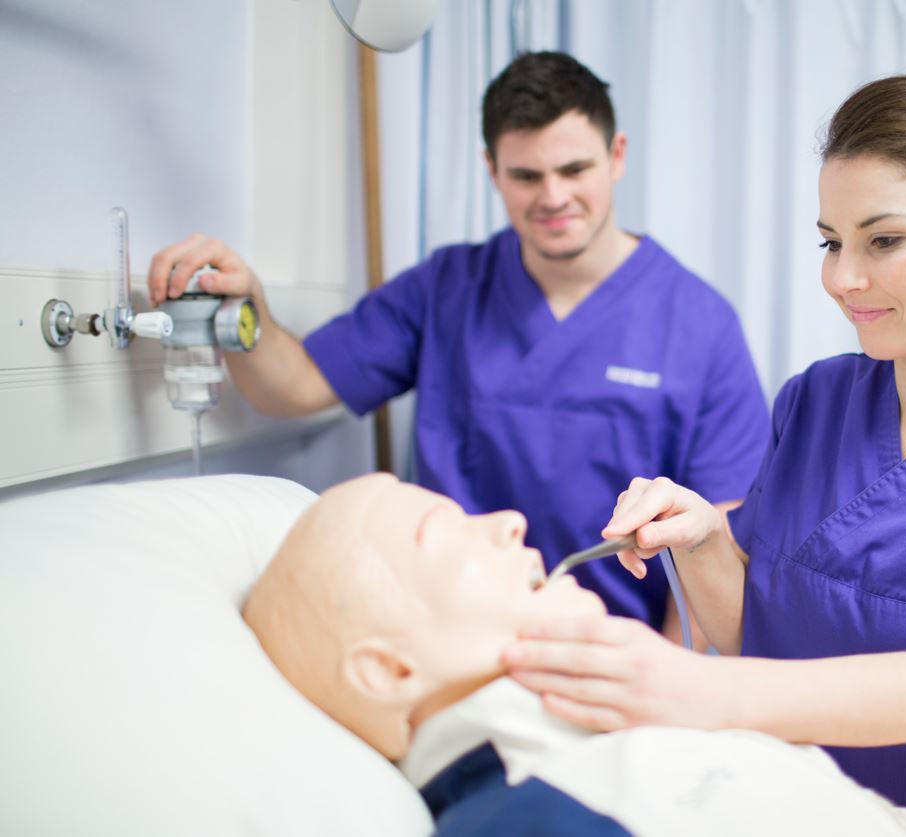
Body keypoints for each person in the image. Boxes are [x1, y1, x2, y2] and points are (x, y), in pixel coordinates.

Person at [498, 52, 906, 837]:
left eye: (883, 240)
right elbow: (764, 635)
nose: (843, 278)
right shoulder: (815, 400)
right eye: (831, 242)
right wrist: (706, 537)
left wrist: (684, 688)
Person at [147, 51, 769, 636]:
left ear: (617, 155)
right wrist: (248, 308)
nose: (553, 198)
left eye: (574, 169)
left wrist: (659, 694)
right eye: (526, 175)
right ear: (492, 170)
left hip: (608, 650)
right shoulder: (447, 288)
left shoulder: (700, 324)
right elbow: (296, 385)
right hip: (444, 638)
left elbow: (715, 541)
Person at [242, 472, 906, 836]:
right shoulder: (528, 817)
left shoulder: (612, 749)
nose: (507, 520)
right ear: (389, 669)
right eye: (446, 530)